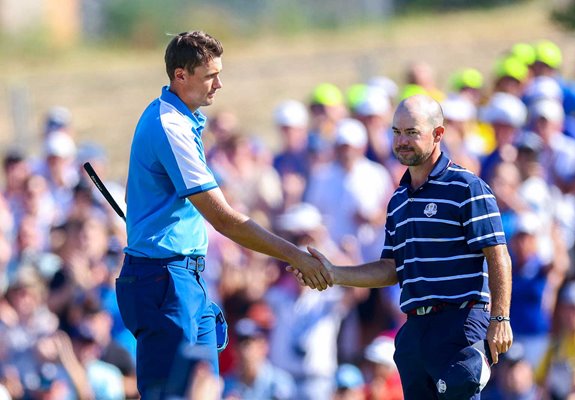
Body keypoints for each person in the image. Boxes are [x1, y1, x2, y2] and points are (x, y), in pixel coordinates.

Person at [116, 31, 332, 400]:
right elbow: (225, 220)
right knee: (175, 394)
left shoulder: (182, 118)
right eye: (209, 75)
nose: (219, 84)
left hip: (185, 278)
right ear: (180, 76)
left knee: (205, 390)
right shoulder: (170, 126)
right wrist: (294, 256)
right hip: (165, 278)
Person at [293, 94, 513, 399]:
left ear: (438, 135)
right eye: (396, 132)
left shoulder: (466, 186)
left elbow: (497, 254)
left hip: (460, 322)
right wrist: (334, 273)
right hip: (414, 328)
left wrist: (500, 318)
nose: (402, 141)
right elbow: (390, 268)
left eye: (412, 132)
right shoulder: (398, 200)